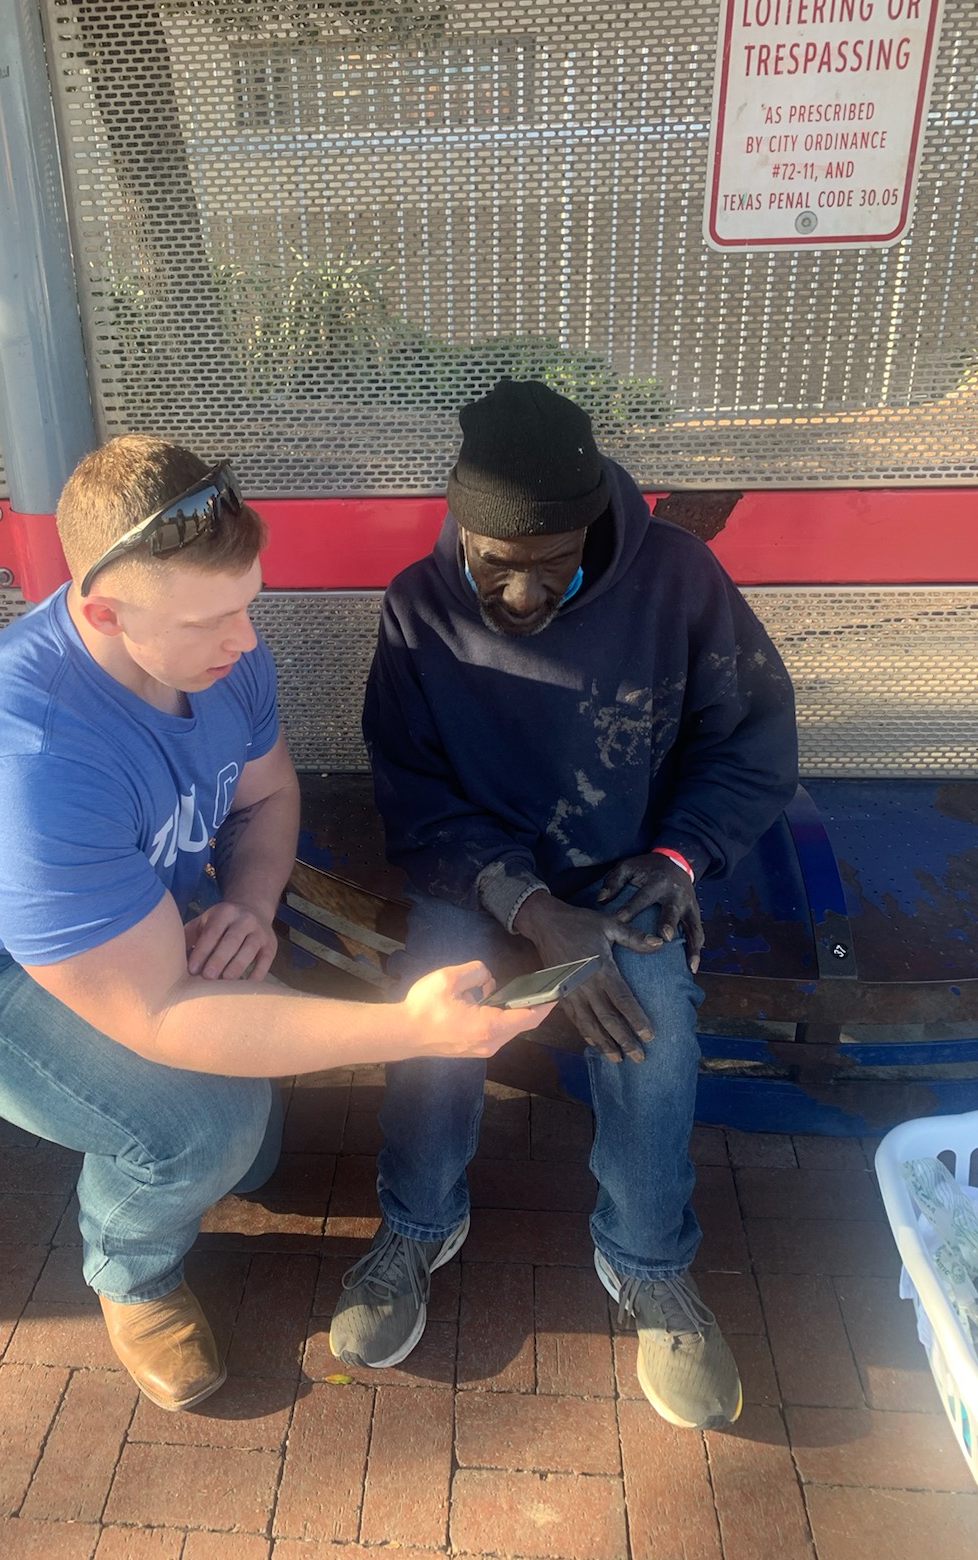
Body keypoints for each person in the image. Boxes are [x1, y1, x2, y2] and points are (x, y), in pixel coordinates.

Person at [0, 434, 552, 1412]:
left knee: (261, 1147)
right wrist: (413, 1030)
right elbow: (161, 1012)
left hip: (145, 918)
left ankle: (47, 1092)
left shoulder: (218, 650)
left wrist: (247, 899)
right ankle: (131, 1272)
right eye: (213, 618)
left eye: (250, 600)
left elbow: (269, 794)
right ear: (101, 610)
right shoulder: (21, 766)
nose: (246, 640)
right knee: (208, 1126)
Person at [329, 380, 798, 1431]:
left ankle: (646, 1259)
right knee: (438, 1009)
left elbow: (752, 740)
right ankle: (416, 1221)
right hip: (481, 872)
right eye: (500, 566)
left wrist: (681, 857)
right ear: (461, 526)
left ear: (592, 521)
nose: (528, 595)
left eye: (554, 565)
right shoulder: (416, 606)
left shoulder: (677, 578)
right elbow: (411, 789)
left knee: (652, 1022)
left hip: (629, 869)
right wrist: (530, 906)